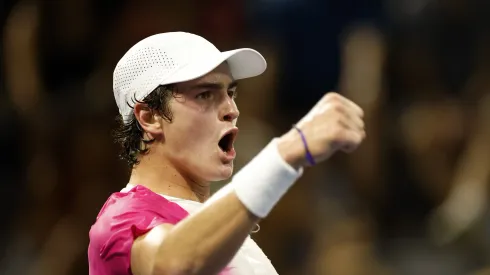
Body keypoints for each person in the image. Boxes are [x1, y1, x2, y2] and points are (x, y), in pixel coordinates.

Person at [88, 32, 366, 275]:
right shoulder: (121, 218)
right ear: (150, 118)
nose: (232, 110)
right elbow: (173, 267)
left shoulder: (218, 231)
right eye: (205, 95)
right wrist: (287, 151)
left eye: (230, 93)